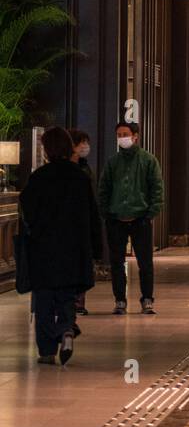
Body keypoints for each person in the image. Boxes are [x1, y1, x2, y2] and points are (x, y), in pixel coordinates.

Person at [19, 126, 102, 365]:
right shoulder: (80, 178)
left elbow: (28, 211)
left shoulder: (38, 178)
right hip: (74, 247)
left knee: (44, 298)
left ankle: (46, 351)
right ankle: (66, 329)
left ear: (46, 149)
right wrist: (96, 248)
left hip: (43, 248)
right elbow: (92, 215)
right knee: (67, 295)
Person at [98, 121, 164, 316]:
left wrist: (150, 214)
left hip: (140, 219)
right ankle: (120, 300)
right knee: (117, 263)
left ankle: (147, 299)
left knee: (145, 263)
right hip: (116, 220)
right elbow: (104, 189)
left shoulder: (148, 160)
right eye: (118, 135)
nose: (121, 138)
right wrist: (107, 214)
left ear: (135, 136)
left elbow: (157, 189)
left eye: (125, 134)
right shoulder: (113, 162)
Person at [69, 130, 98, 319]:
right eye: (81, 143)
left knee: (82, 262)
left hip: (83, 223)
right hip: (68, 226)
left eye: (86, 142)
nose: (85, 147)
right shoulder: (64, 171)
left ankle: (79, 302)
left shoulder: (86, 169)